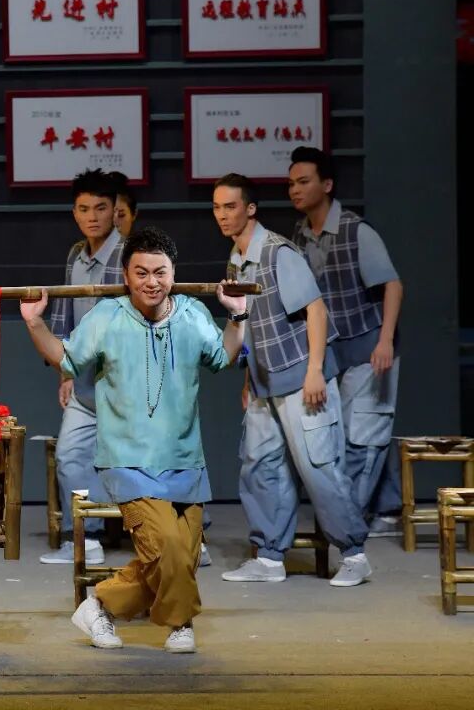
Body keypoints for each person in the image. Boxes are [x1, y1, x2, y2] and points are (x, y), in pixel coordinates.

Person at [21, 227, 247, 653]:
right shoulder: (107, 316)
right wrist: (35, 322)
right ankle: (180, 623)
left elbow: (223, 357)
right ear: (126, 275)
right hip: (128, 459)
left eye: (160, 272)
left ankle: (99, 606)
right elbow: (66, 359)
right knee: (166, 546)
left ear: (173, 273)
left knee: (184, 557)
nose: (151, 282)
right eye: (141, 272)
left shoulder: (192, 314)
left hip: (186, 459)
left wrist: (236, 317)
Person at [212, 173, 373, 588]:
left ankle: (354, 554)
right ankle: (269, 557)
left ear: (250, 209)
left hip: (302, 378)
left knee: (319, 467)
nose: (222, 214)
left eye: (230, 206)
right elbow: (250, 325)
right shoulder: (235, 259)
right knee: (260, 466)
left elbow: (316, 310)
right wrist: (248, 379)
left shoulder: (278, 252)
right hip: (264, 383)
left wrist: (315, 370)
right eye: (217, 207)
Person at [287, 147, 404, 537]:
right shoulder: (299, 235)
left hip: (368, 345)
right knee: (346, 433)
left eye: (304, 182)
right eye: (291, 183)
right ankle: (384, 508)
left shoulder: (356, 231)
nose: (295, 189)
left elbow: (392, 285)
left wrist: (385, 341)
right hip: (332, 351)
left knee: (364, 433)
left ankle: (348, 523)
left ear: (327, 185)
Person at [42, 170, 132, 566]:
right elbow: (64, 316)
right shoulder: (75, 255)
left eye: (100, 208)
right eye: (83, 209)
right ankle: (87, 539)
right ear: (74, 212)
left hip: (125, 382)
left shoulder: (130, 255)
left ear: (115, 210)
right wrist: (65, 372)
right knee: (70, 455)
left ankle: (190, 535)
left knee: (151, 457)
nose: (92, 216)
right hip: (83, 381)